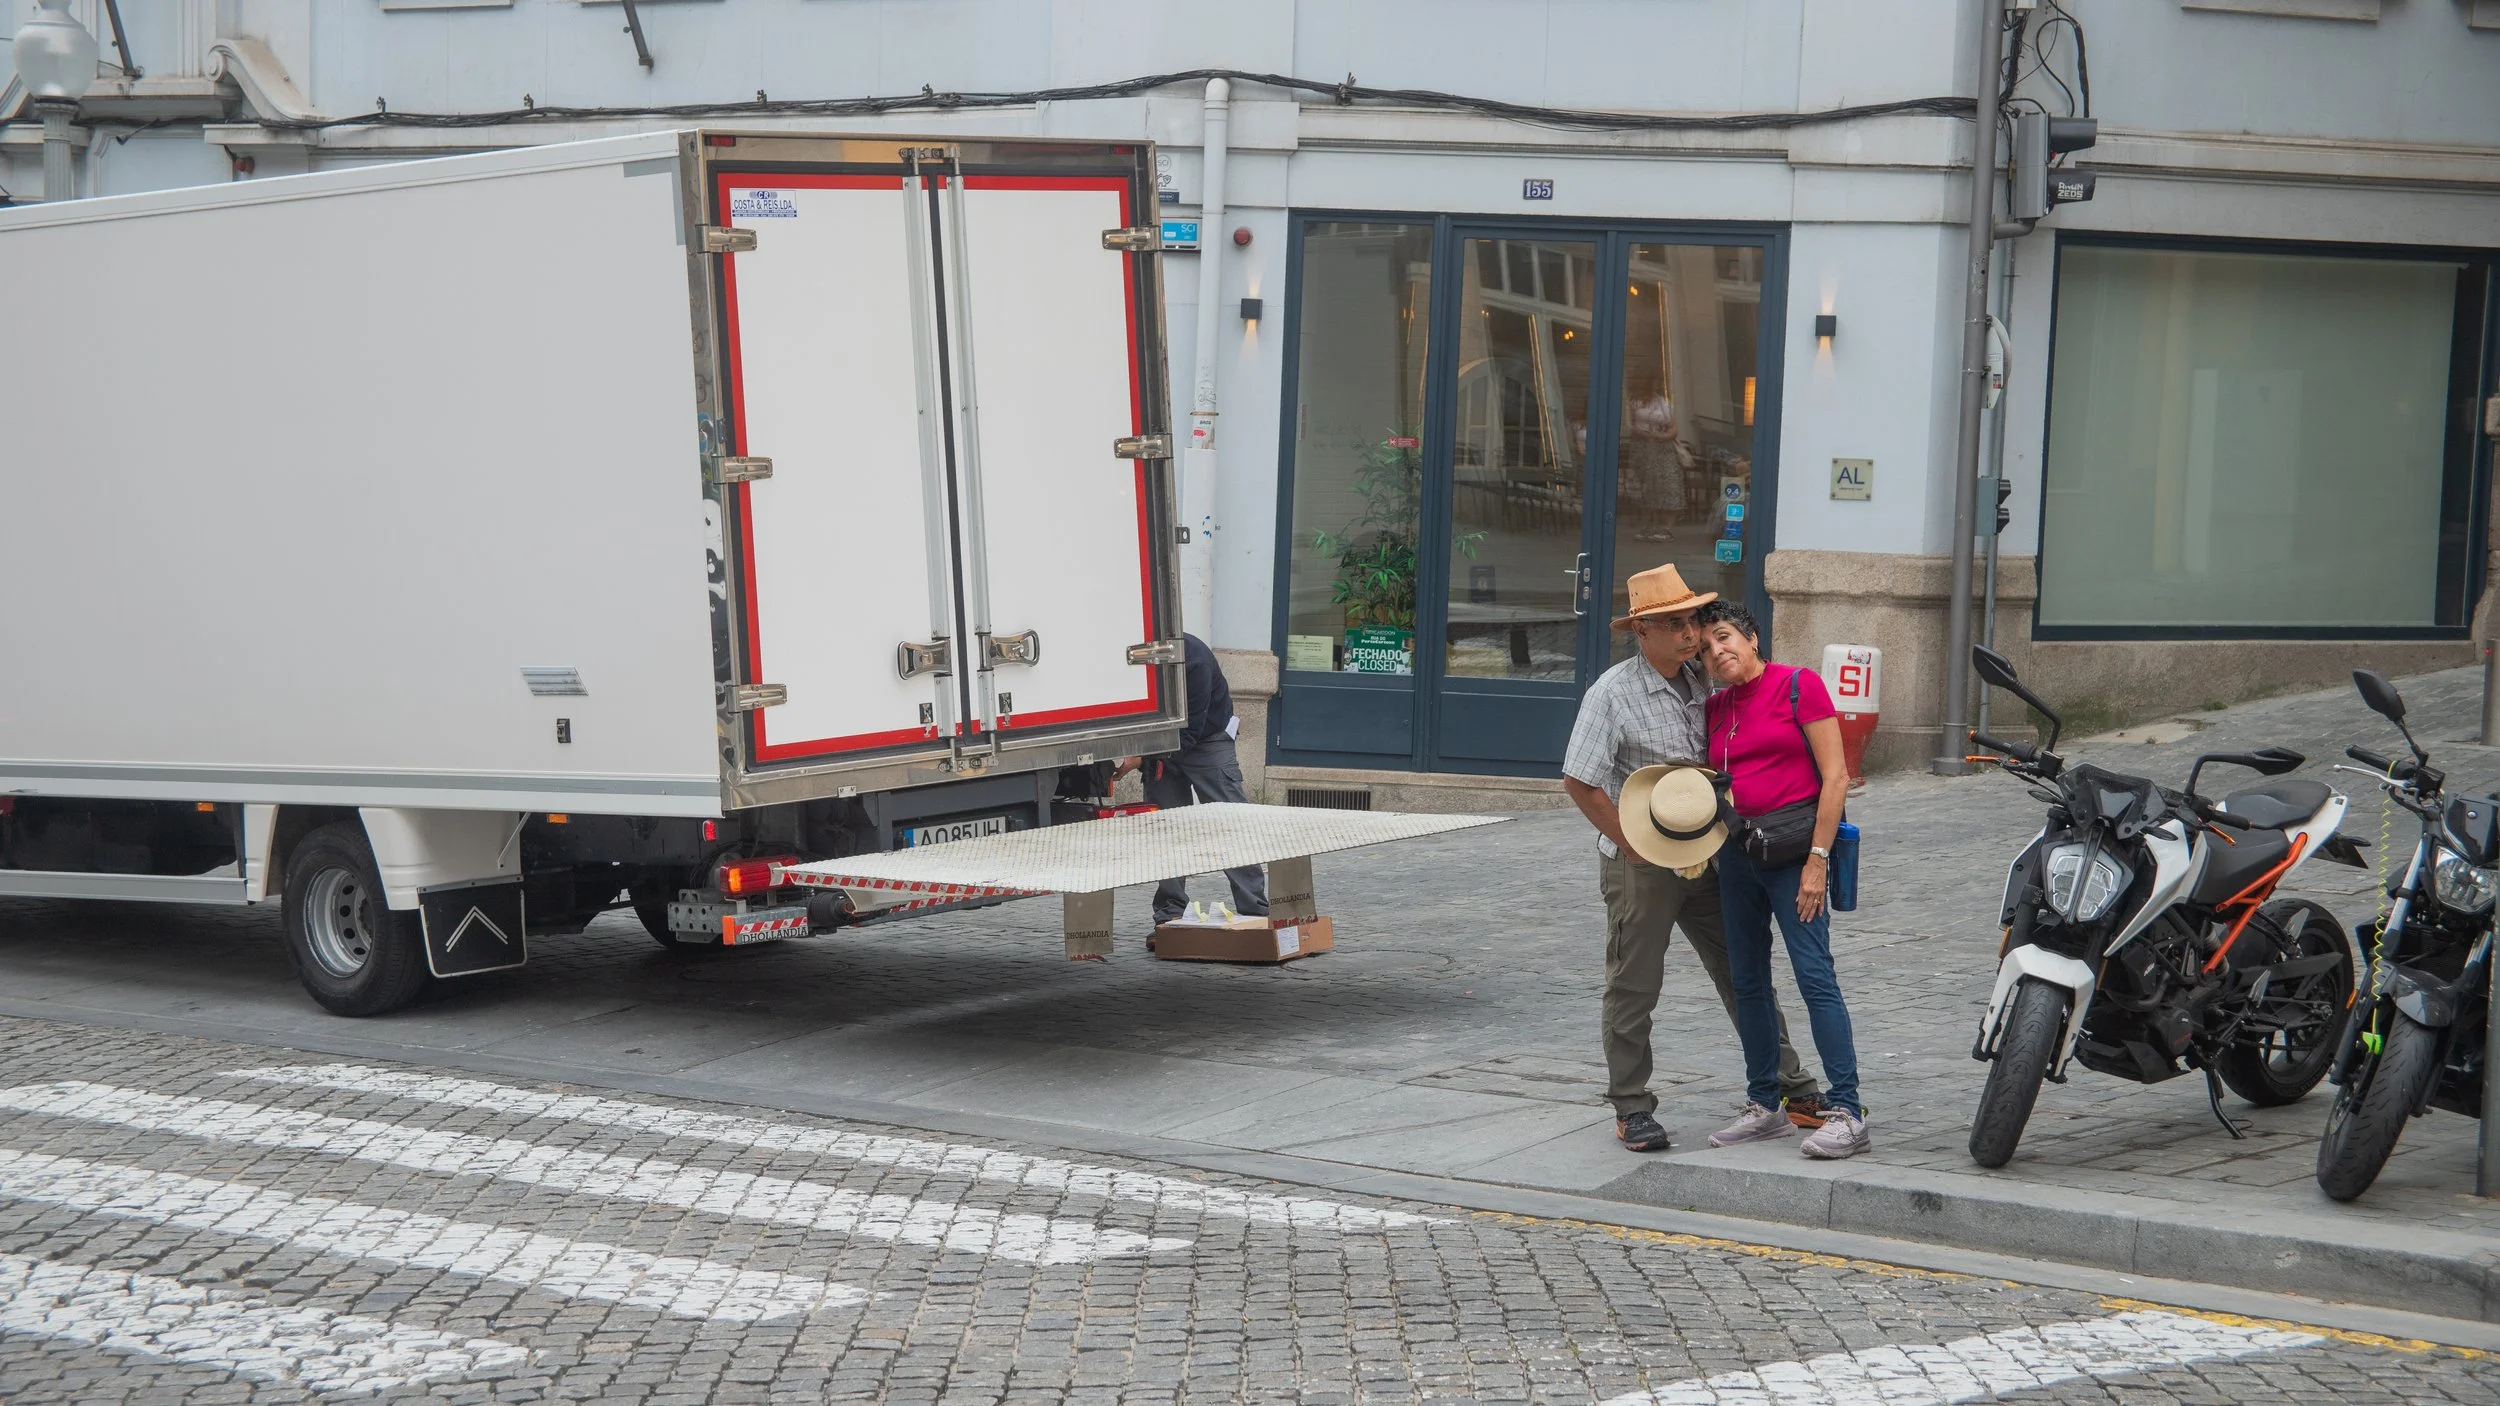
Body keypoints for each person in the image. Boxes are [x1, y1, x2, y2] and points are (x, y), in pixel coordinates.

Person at [1561, 564, 1825, 1153]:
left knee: (1743, 972)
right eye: (1674, 624)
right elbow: (1580, 781)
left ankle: (1792, 1086)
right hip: (1640, 861)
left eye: (1692, 621)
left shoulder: (1705, 680)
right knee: (1634, 984)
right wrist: (1629, 845)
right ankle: (1632, 1106)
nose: (1689, 634)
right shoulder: (1613, 693)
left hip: (1710, 852)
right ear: (1641, 632)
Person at [1695, 600, 1870, 1160]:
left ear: (1750, 638)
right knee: (1748, 983)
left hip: (1797, 857)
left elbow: (1836, 777)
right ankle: (1765, 1105)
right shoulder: (1716, 706)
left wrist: (1818, 861)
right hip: (1738, 859)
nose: (1716, 651)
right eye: (1704, 648)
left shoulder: (1799, 686)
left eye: (1723, 638)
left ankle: (1848, 1111)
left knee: (1815, 976)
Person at [1116, 633, 1268, 930]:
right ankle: (1169, 914)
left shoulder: (1195, 660)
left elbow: (1189, 735)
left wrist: (1140, 757)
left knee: (1231, 824)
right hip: (1158, 742)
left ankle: (1255, 913)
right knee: (1167, 829)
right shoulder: (1130, 657)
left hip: (1207, 741)